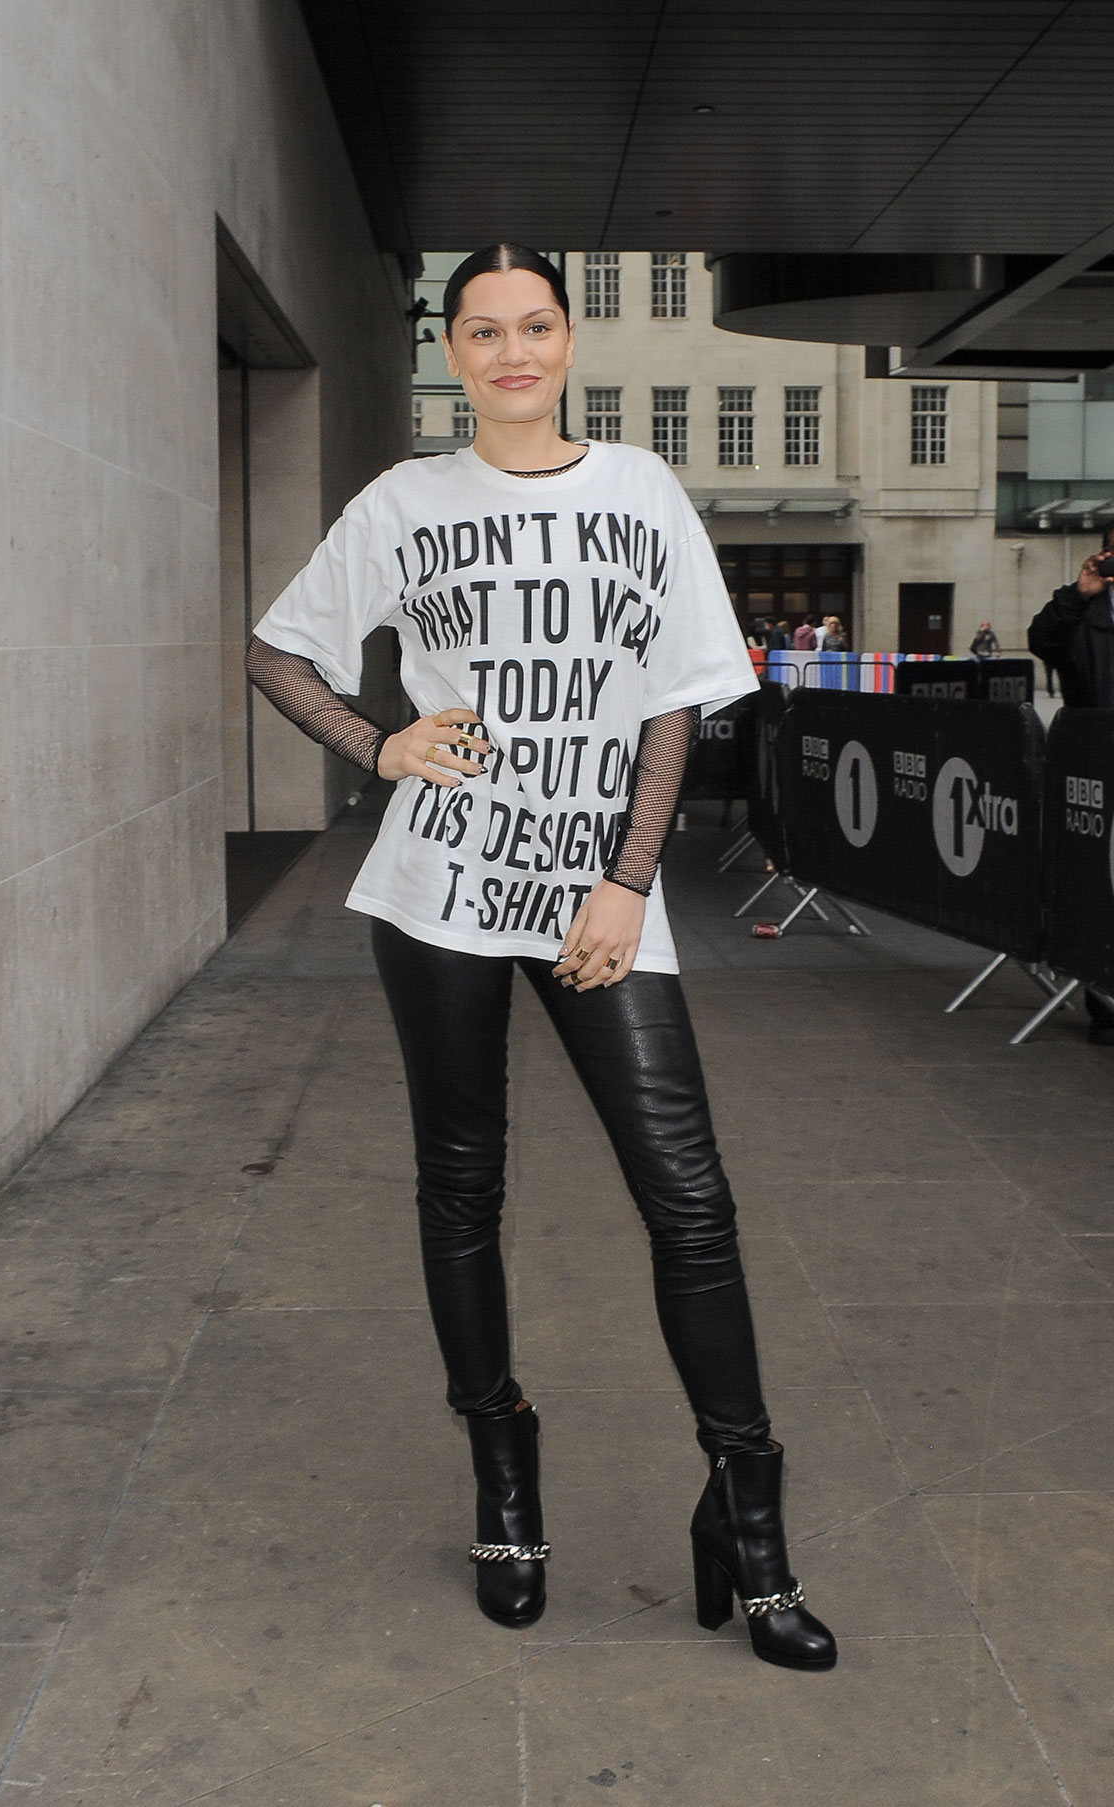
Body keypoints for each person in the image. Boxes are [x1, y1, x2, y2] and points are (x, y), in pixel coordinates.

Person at [245, 244, 835, 1670]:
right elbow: (281, 652)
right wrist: (379, 743)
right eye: (483, 329)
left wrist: (629, 881)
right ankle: (502, 1472)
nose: (512, 351)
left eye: (536, 325)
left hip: (596, 900)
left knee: (689, 1196)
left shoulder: (638, 490)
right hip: (440, 888)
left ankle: (749, 1516)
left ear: (569, 339)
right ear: (452, 350)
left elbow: (677, 697)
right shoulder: (404, 502)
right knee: (463, 1184)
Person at [1028, 530, 1114, 1044]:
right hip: (1099, 765)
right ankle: (1105, 1008)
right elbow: (1042, 639)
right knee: (1100, 889)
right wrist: (1078, 593)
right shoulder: (1084, 611)